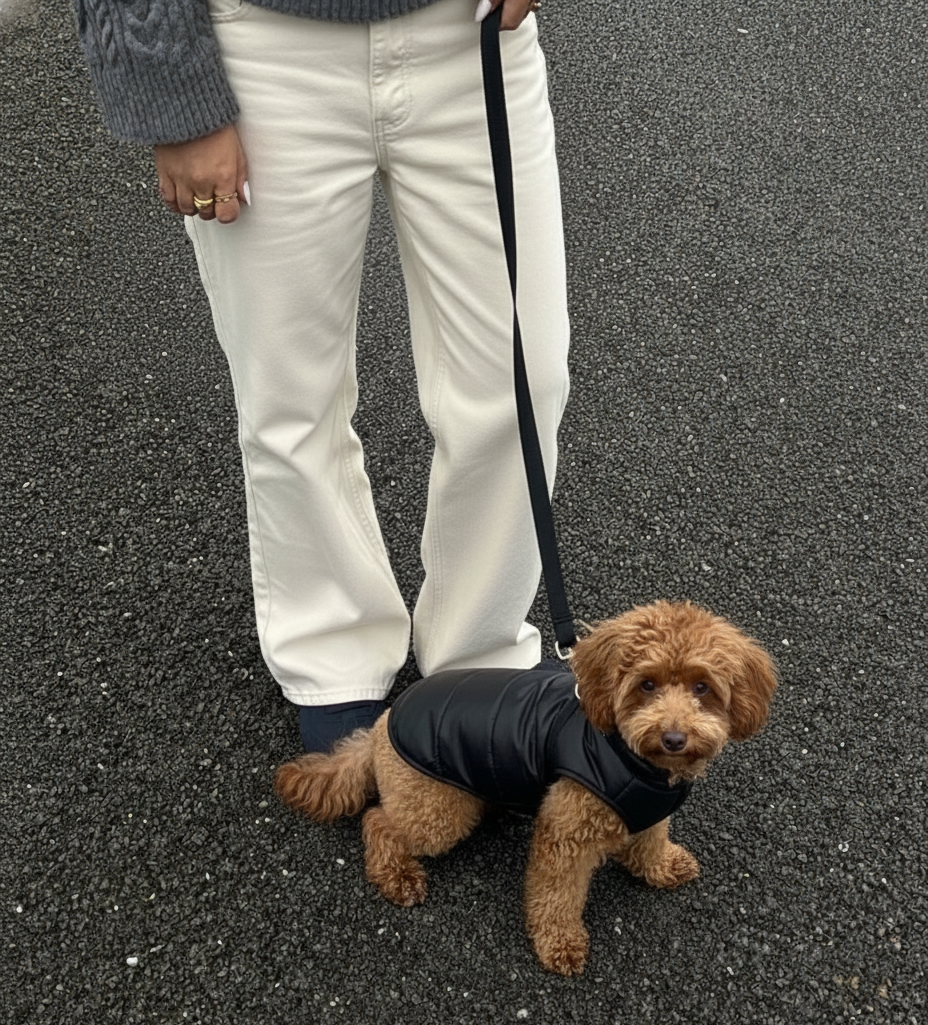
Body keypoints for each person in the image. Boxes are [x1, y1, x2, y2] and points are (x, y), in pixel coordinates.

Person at [74, 0, 570, 751]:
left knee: (520, 379)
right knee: (289, 399)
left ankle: (480, 654)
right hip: (261, 48)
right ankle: (334, 653)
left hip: (470, 35)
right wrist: (168, 88)